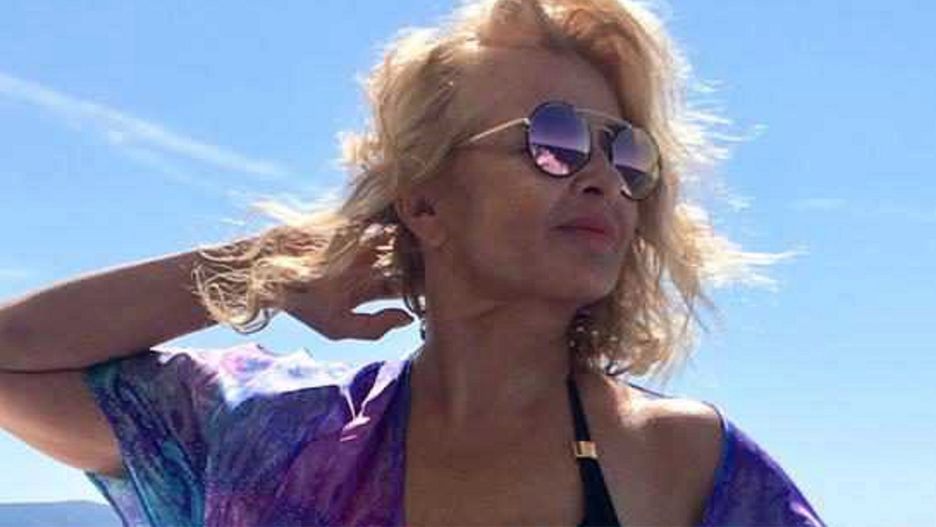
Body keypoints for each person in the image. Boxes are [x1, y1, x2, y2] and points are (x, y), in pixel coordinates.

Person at [0, 0, 826, 525]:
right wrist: (271, 266)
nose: (605, 178)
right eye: (556, 140)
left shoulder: (684, 462)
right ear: (426, 204)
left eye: (628, 153)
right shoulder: (270, 432)